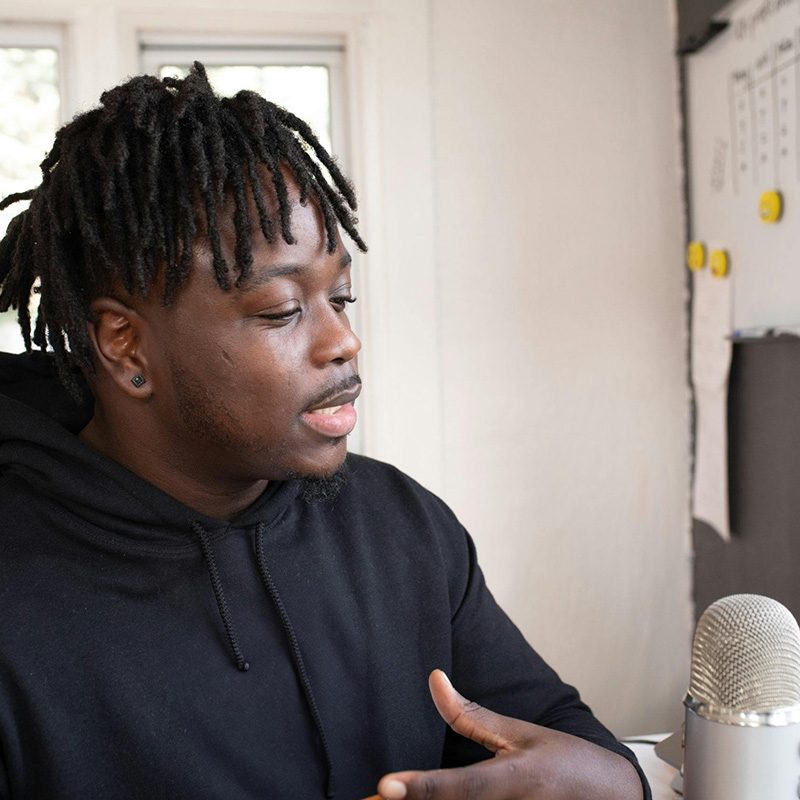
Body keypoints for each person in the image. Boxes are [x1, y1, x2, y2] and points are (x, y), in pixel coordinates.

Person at [0, 63, 649, 800]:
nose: (343, 340)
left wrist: (615, 782)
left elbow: (563, 745)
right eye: (281, 311)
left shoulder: (403, 528)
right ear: (125, 345)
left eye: (340, 295)